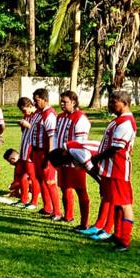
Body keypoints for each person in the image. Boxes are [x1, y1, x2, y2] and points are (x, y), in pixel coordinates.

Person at [85, 90, 137, 251]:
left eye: (114, 102)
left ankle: (124, 241)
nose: (110, 105)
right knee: (115, 202)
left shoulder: (126, 122)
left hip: (119, 169)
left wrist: (97, 158)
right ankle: (117, 234)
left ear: (124, 103)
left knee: (124, 205)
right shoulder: (118, 120)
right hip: (110, 168)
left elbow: (116, 148)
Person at [54, 90, 92, 228]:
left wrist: (72, 155)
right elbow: (56, 136)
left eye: (65, 102)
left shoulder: (80, 118)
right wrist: (56, 152)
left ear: (74, 102)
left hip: (75, 159)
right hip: (61, 158)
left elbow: (80, 142)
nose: (62, 104)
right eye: (61, 101)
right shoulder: (60, 117)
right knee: (64, 187)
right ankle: (68, 216)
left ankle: (84, 223)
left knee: (80, 189)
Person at [30, 88, 61, 219]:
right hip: (36, 151)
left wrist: (48, 157)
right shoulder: (38, 113)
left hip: (45, 152)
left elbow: (51, 137)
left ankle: (57, 212)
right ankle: (47, 207)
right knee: (40, 179)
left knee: (49, 181)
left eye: (37, 101)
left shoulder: (50, 115)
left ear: (45, 100)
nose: (34, 103)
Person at [11, 97, 41, 209]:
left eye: (25, 110)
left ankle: (34, 201)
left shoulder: (37, 115)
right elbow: (26, 131)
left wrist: (28, 125)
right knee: (22, 176)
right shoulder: (27, 116)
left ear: (30, 106)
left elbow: (38, 131)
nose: (24, 112)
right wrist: (22, 126)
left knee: (33, 177)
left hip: (31, 149)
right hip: (24, 147)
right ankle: (23, 199)